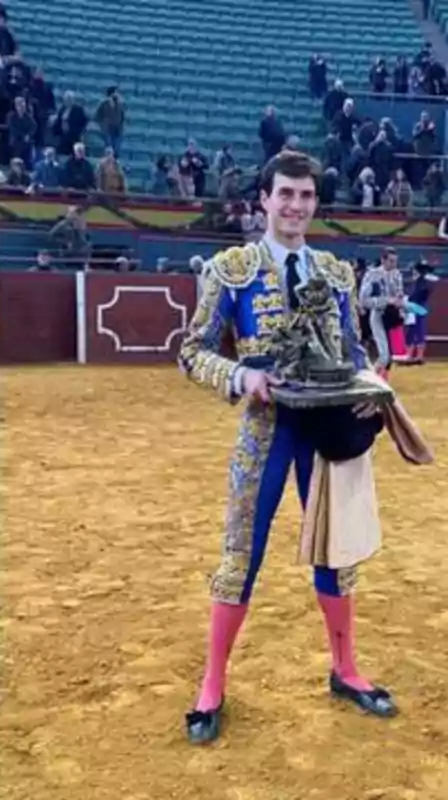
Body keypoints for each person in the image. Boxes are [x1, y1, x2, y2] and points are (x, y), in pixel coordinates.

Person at [177, 151, 394, 745]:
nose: (295, 205)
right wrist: (242, 377)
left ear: (315, 203)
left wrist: (371, 385)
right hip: (267, 429)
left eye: (305, 195)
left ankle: (345, 669)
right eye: (285, 194)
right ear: (263, 200)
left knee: (335, 551)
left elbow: (352, 353)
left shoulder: (336, 272)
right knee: (240, 554)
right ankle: (212, 684)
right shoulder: (232, 270)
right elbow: (191, 352)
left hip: (324, 430)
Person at [358, 247, 406, 380]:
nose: (394, 264)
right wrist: (387, 301)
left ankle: (379, 379)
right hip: (378, 315)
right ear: (382, 260)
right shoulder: (372, 275)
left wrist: (400, 303)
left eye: (395, 261)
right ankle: (371, 380)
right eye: (391, 261)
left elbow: (398, 294)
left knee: (388, 355)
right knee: (384, 356)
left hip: (392, 317)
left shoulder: (397, 274)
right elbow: (363, 300)